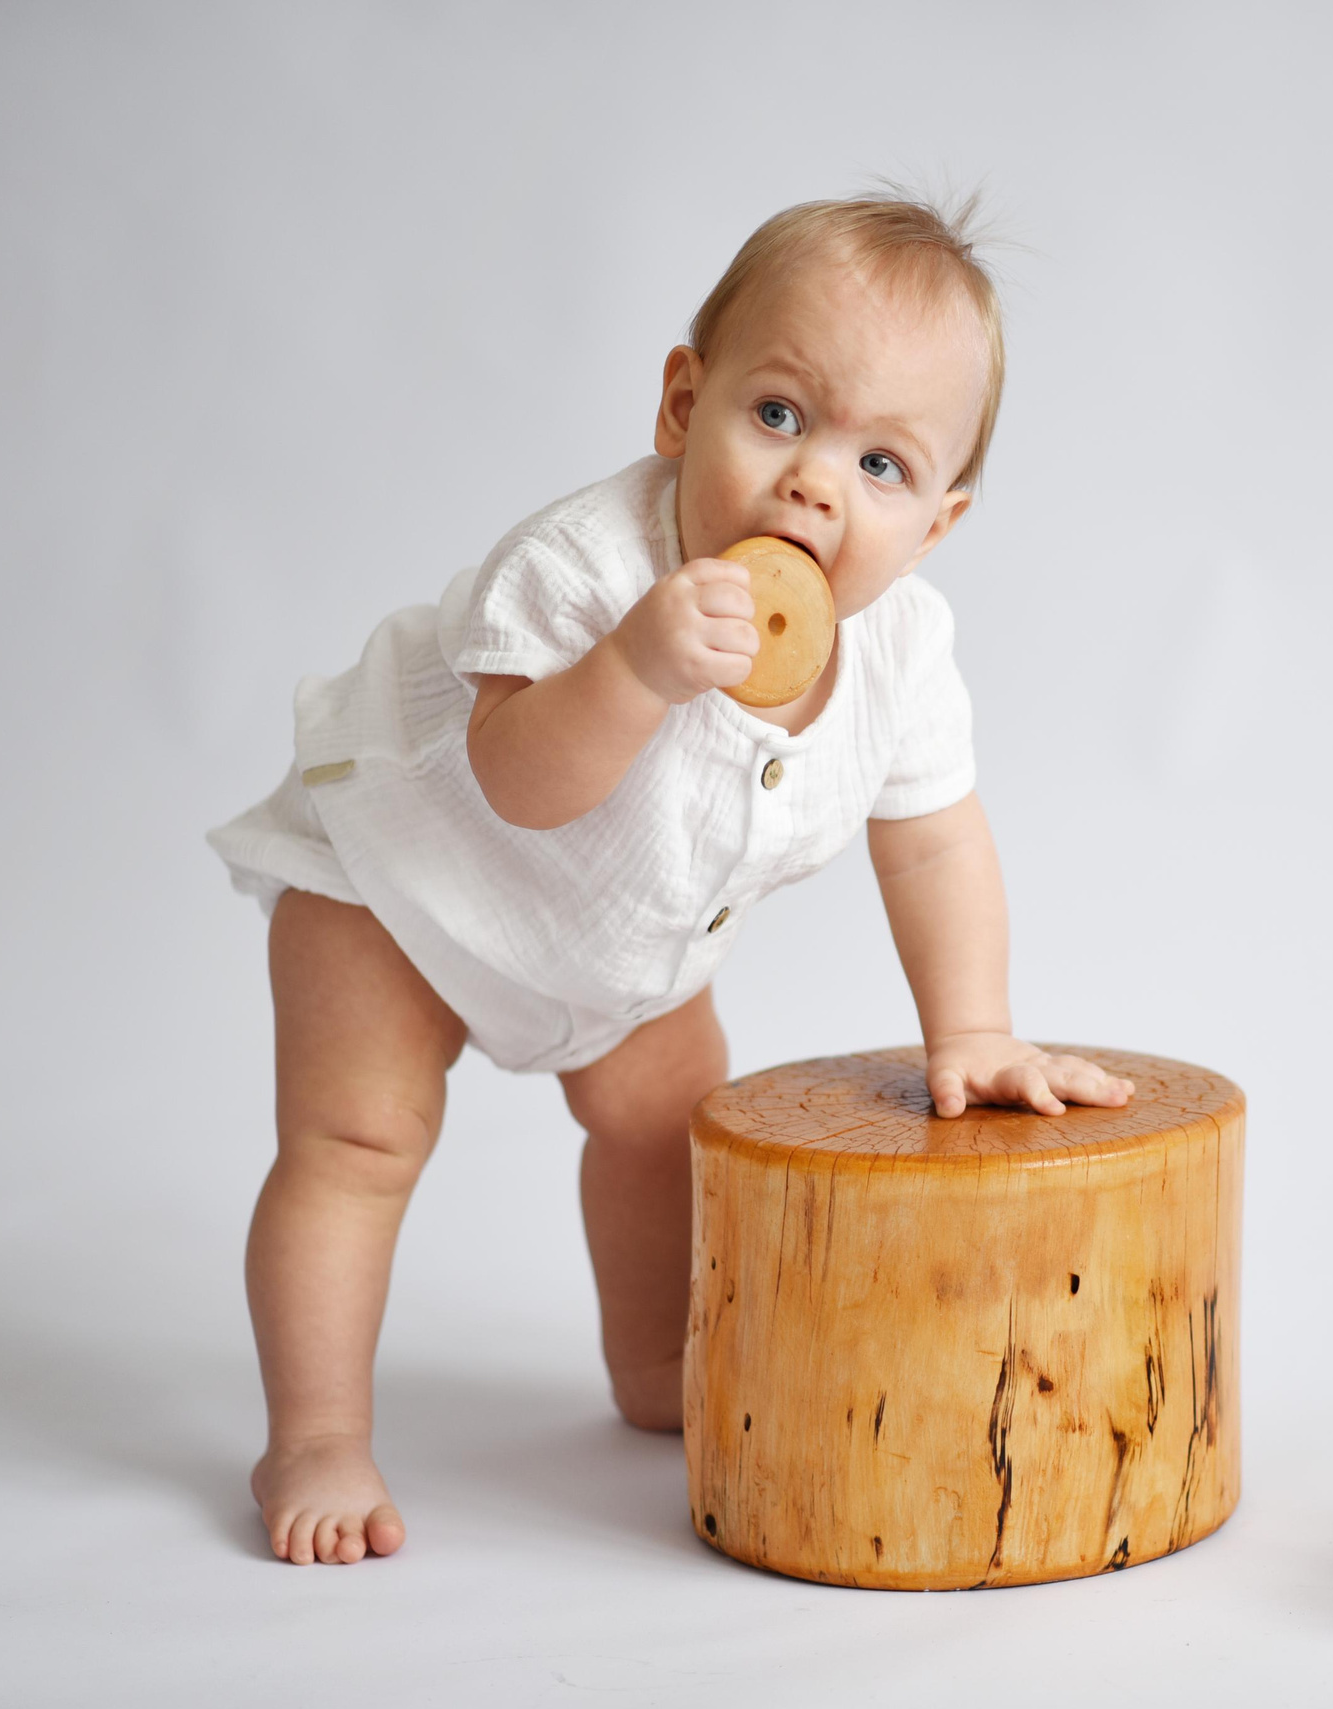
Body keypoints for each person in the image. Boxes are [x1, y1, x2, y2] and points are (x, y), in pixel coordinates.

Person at [206, 195, 1132, 1566]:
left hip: (614, 947)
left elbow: (933, 836)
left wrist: (974, 1029)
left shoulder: (900, 652)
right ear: (681, 405)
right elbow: (516, 781)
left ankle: (654, 1364)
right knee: (357, 1145)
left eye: (880, 463)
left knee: (666, 1124)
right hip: (401, 885)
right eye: (779, 416)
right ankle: (316, 1434)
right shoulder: (583, 571)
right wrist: (635, 669)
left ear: (938, 523)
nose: (816, 483)